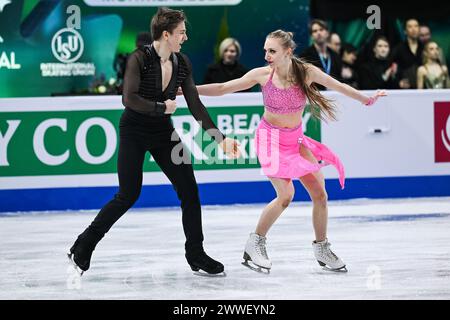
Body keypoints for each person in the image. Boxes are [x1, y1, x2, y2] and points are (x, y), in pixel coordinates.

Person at [67, 7, 240, 277]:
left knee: (189, 191)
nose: (185, 37)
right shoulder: (139, 58)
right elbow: (129, 98)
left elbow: (195, 104)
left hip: (163, 133)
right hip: (134, 129)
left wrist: (219, 138)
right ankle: (84, 244)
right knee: (128, 194)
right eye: (181, 32)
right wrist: (162, 107)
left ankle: (196, 253)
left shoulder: (182, 62)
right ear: (166, 34)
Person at [195, 30, 386, 273]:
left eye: (272, 51)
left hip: (295, 140)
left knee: (320, 194)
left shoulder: (306, 73)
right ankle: (255, 243)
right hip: (270, 139)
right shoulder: (263, 75)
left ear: (288, 51)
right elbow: (223, 88)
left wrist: (366, 100)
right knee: (286, 195)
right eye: (265, 50)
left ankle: (322, 248)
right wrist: (189, 89)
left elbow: (337, 85)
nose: (267, 56)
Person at [300, 19, 342, 90]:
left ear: (327, 33)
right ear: (311, 36)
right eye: (315, 31)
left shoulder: (335, 56)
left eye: (321, 29)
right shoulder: (305, 56)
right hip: (315, 95)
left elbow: (340, 78)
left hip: (334, 95)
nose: (318, 33)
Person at [392, 18, 424, 89]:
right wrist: (398, 82)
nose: (414, 29)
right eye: (410, 26)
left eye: (416, 26)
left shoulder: (425, 48)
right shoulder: (398, 49)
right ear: (405, 31)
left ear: (419, 29)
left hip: (424, 89)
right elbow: (392, 70)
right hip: (406, 90)